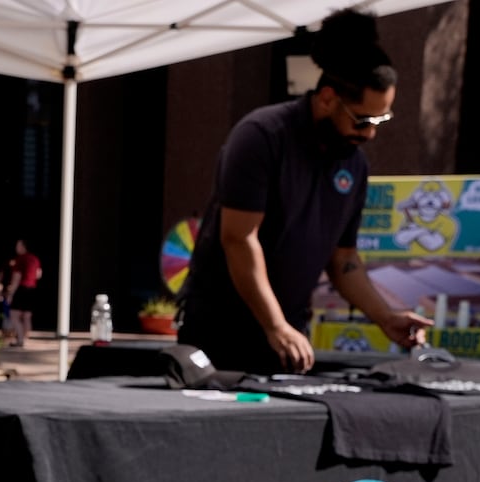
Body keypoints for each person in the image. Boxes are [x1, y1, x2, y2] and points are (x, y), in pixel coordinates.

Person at [177, 12, 430, 375]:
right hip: (220, 332)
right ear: (328, 98)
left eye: (380, 121)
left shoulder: (353, 165)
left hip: (287, 337)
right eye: (362, 120)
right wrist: (274, 324)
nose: (370, 134)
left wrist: (384, 317)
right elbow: (239, 239)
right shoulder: (262, 136)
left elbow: (344, 260)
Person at [6, 239, 41, 348]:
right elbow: (38, 274)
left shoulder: (20, 259)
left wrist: (11, 293)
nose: (16, 248)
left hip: (22, 288)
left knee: (14, 315)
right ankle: (26, 339)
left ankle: (20, 340)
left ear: (23, 247)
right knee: (27, 316)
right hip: (32, 288)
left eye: (18, 246)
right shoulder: (35, 259)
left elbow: (16, 277)